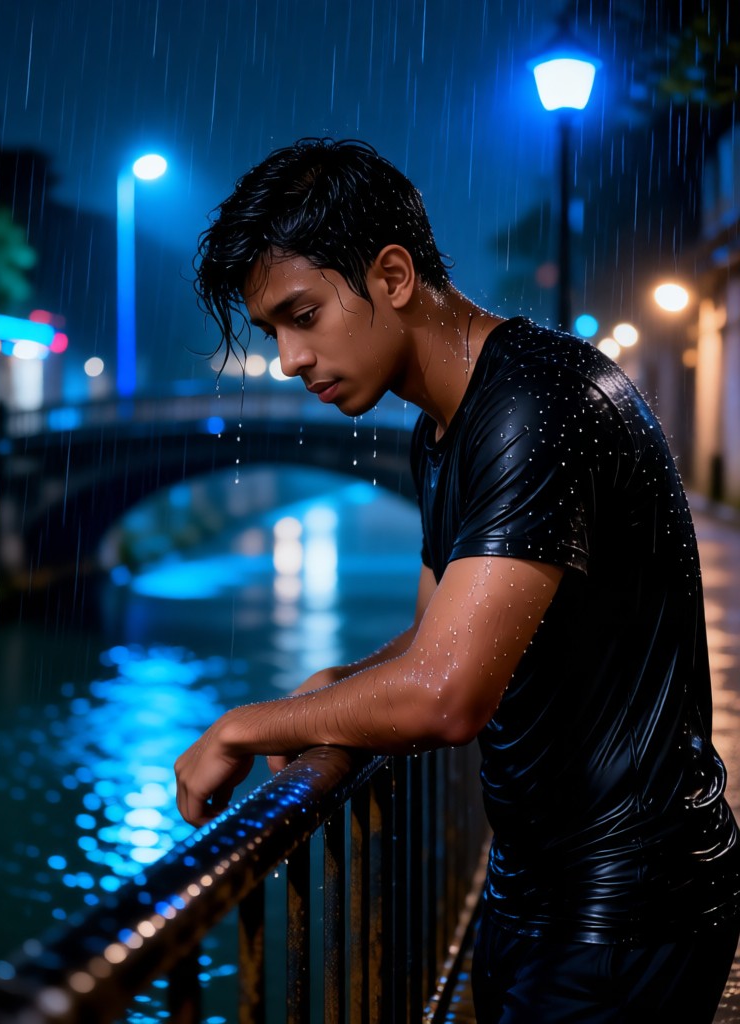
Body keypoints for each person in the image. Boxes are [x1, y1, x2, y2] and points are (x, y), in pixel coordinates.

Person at [175, 137, 740, 1022]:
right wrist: (344, 686)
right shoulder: (443, 427)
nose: (288, 358)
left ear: (393, 275)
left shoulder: (537, 402)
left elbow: (447, 695)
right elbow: (435, 635)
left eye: (303, 314)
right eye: (272, 330)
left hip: (626, 905)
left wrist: (249, 726)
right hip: (538, 889)